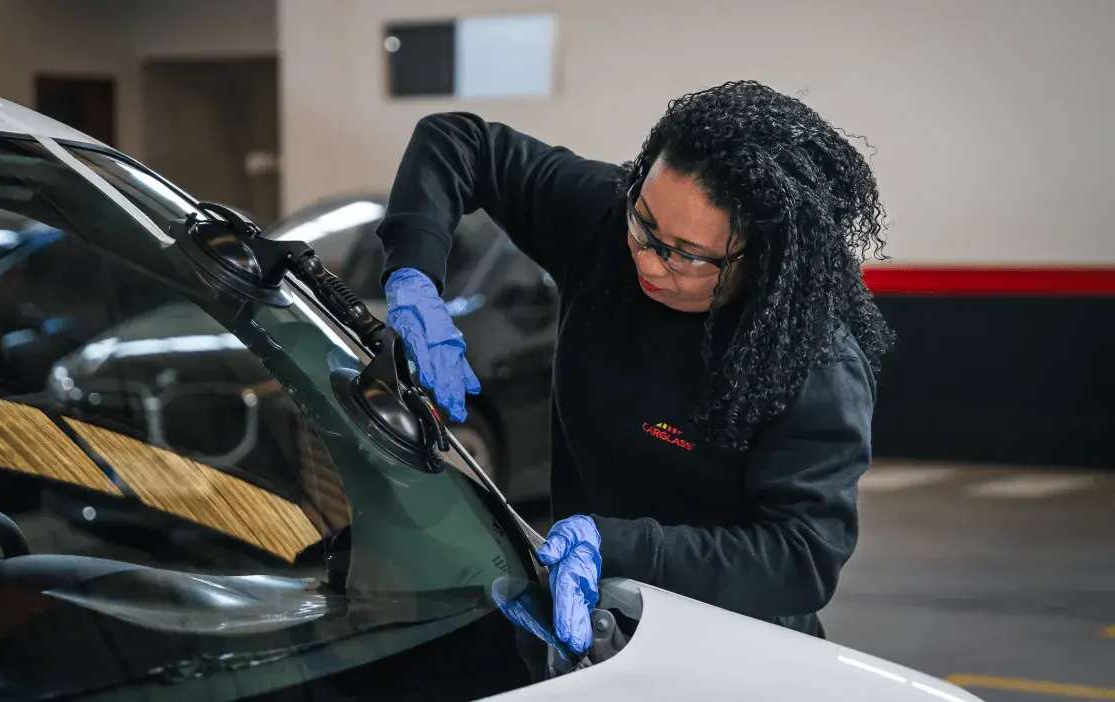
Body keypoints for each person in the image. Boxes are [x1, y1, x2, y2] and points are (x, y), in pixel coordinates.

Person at [377, 81, 894, 654]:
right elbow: (457, 140)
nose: (646, 260)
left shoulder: (813, 363)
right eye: (643, 222)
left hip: (728, 653)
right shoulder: (607, 228)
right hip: (581, 624)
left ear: (760, 257)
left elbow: (801, 559)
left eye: (685, 254)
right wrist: (414, 276)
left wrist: (616, 546)